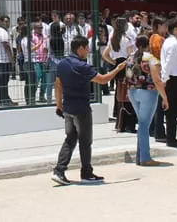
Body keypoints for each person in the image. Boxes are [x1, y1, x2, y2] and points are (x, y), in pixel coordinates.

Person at [51, 37, 126, 186]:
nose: (88, 51)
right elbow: (103, 80)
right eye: (86, 48)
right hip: (81, 109)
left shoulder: (63, 64)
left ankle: (59, 170)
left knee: (70, 139)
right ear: (80, 48)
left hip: (67, 108)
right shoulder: (82, 66)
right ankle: (86, 173)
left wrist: (58, 105)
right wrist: (118, 69)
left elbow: (57, 85)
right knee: (85, 142)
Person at [125, 35, 168, 166]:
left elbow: (127, 75)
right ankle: (145, 157)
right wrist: (165, 97)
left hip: (132, 91)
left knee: (142, 124)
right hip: (148, 92)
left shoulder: (130, 57)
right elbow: (156, 80)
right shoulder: (151, 59)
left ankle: (140, 155)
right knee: (144, 125)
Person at [160, 18, 177, 147]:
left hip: (172, 78)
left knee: (173, 110)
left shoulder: (169, 42)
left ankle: (171, 137)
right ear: (174, 29)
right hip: (173, 79)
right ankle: (171, 138)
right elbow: (168, 62)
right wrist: (164, 79)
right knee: (172, 110)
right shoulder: (173, 44)